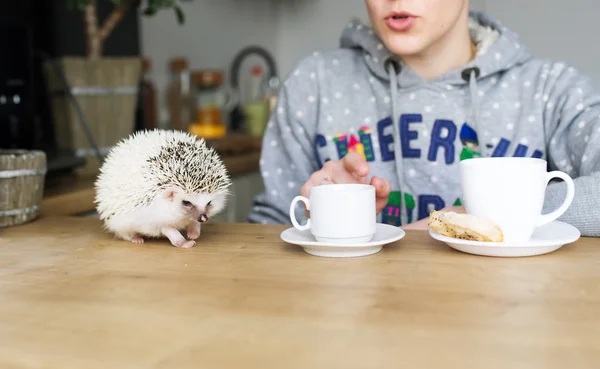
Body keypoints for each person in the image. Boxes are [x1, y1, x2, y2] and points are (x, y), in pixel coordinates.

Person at [247, 0, 600, 237]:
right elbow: (267, 232)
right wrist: (321, 215)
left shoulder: (551, 90)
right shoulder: (315, 82)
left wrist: (470, 216)